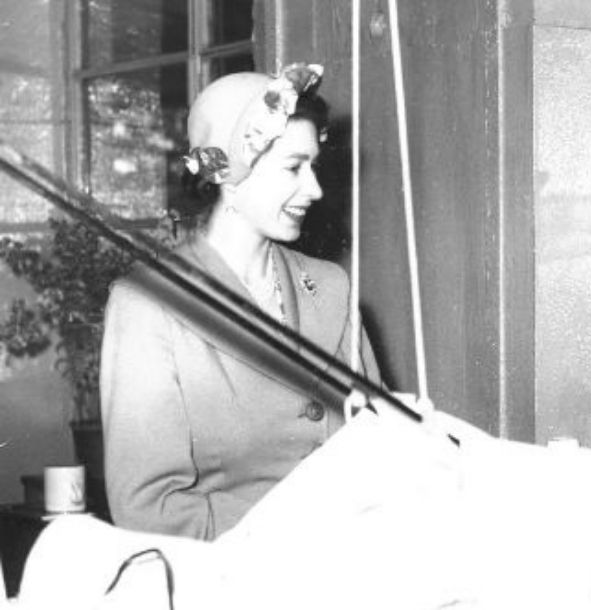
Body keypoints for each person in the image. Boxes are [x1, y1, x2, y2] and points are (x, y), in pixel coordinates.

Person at [99, 63, 383, 540]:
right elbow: (149, 508)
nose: (314, 189)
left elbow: (383, 443)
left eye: (313, 165)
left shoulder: (332, 285)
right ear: (231, 174)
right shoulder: (150, 307)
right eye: (294, 167)